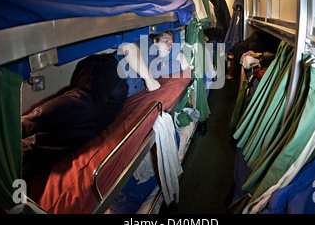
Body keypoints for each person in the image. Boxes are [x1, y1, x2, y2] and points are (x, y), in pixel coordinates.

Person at [21, 30, 189, 179]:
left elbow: (186, 66)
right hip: (109, 67)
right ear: (155, 38)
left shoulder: (161, 65)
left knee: (93, 128)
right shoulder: (145, 44)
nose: (169, 45)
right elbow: (128, 48)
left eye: (172, 43)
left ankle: (28, 155)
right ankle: (22, 127)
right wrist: (148, 78)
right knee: (88, 103)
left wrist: (175, 52)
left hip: (120, 93)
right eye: (166, 40)